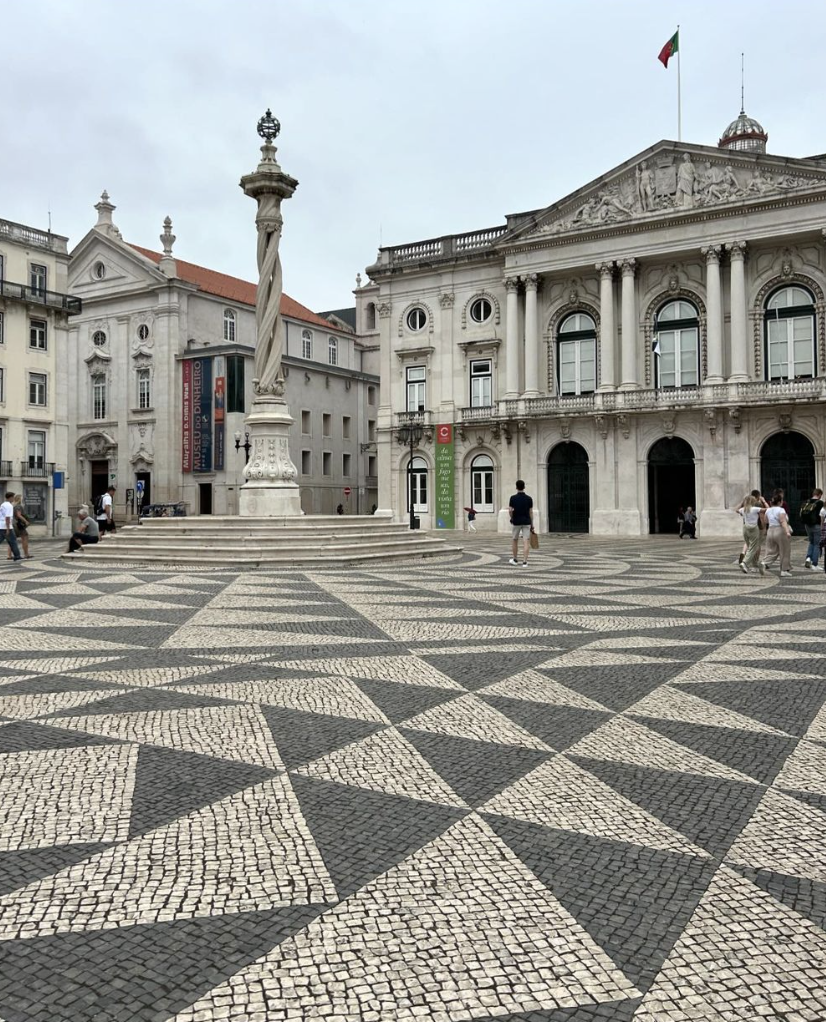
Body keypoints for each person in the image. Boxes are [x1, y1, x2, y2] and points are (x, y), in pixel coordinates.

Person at [760, 494, 793, 577]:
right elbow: (783, 521)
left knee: (772, 551)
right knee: (785, 551)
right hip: (780, 530)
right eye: (781, 501)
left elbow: (766, 521)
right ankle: (784, 570)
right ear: (779, 502)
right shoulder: (781, 510)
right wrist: (787, 531)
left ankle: (764, 563)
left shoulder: (768, 510)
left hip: (770, 530)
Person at [735, 490, 768, 564]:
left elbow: (736, 510)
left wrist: (742, 502)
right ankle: (753, 562)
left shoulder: (745, 507)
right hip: (757, 526)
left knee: (749, 543)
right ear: (758, 496)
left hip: (746, 526)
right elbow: (765, 513)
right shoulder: (758, 505)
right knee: (757, 545)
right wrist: (764, 526)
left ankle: (743, 553)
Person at [508, 479, 534, 566]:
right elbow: (531, 512)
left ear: (516, 487)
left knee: (515, 540)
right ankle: (525, 562)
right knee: (526, 541)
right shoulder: (529, 499)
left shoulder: (513, 498)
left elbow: (510, 511)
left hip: (516, 521)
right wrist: (532, 524)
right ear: (524, 487)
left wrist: (512, 518)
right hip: (527, 521)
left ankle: (515, 560)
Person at [799, 487, 824, 569]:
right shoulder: (820, 503)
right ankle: (815, 564)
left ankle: (808, 558)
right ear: (819, 494)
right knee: (817, 544)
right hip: (816, 525)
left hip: (807, 525)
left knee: (811, 542)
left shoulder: (806, 501)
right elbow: (822, 515)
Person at [738, 494, 763, 574]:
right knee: (753, 548)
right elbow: (766, 510)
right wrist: (765, 502)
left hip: (745, 528)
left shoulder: (743, 509)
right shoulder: (755, 509)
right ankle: (744, 563)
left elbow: (736, 510)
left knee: (750, 547)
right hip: (754, 529)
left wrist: (742, 503)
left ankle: (752, 564)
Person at [6, 496, 30, 560]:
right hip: (18, 525)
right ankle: (26, 554)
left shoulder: (12, 506)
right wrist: (26, 521)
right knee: (25, 537)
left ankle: (9, 555)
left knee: (12, 540)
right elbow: (18, 515)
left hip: (12, 524)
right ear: (19, 499)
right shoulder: (18, 506)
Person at [1, 491, 22, 563]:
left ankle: (17, 556)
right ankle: (17, 556)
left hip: (1, 526)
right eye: (13, 497)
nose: (13, 498)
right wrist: (7, 528)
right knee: (13, 542)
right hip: (7, 527)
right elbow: (7, 517)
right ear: (10, 497)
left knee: (11, 542)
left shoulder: (3, 504)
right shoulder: (9, 506)